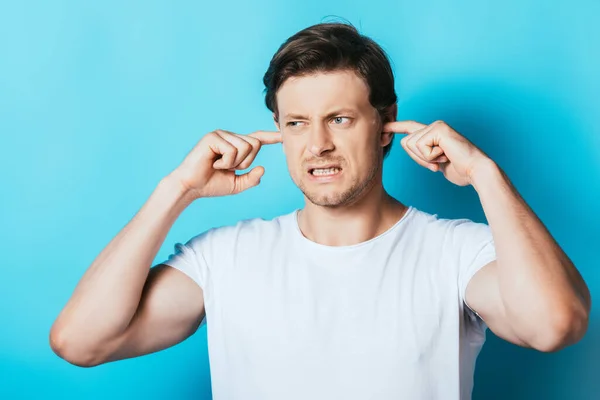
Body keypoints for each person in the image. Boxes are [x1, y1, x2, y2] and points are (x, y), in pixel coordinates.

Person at [49, 22, 591, 400]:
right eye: (296, 123)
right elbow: (80, 341)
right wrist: (176, 191)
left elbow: (553, 325)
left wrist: (485, 177)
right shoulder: (225, 256)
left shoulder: (456, 250)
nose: (317, 145)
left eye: (339, 119)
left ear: (386, 123)